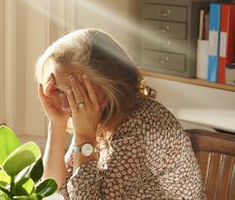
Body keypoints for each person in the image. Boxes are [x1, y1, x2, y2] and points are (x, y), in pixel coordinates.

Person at [36, 28, 205, 199]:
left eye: (75, 93)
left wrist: (85, 136)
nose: (65, 105)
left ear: (109, 85)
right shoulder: (96, 114)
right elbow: (55, 187)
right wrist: (57, 123)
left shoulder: (140, 127)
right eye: (58, 90)